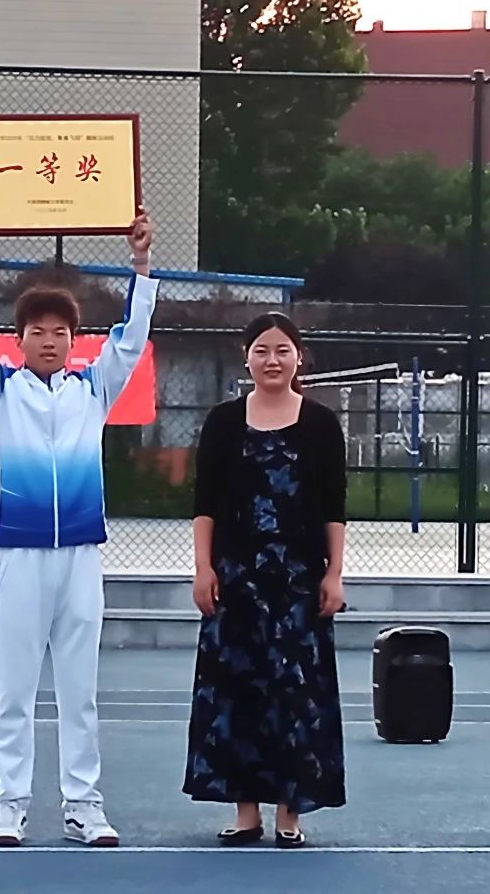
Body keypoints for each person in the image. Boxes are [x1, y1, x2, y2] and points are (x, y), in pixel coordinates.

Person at [0, 207, 156, 848]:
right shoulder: (0, 391)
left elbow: (131, 340)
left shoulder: (94, 390)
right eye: (36, 331)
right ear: (19, 339)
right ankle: (10, 805)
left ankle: (83, 805)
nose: (48, 341)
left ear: (73, 340)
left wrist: (141, 265)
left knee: (79, 693)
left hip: (81, 558)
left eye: (60, 332)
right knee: (13, 691)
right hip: (21, 557)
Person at [184, 312, 347, 849]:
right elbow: (205, 502)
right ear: (246, 357)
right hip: (236, 579)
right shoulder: (223, 422)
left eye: (282, 350)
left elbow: (334, 507)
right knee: (238, 691)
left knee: (296, 694)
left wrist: (334, 574)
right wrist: (203, 566)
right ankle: (246, 812)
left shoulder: (321, 424)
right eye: (261, 350)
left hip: (299, 582)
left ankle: (290, 814)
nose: (272, 360)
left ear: (299, 357)